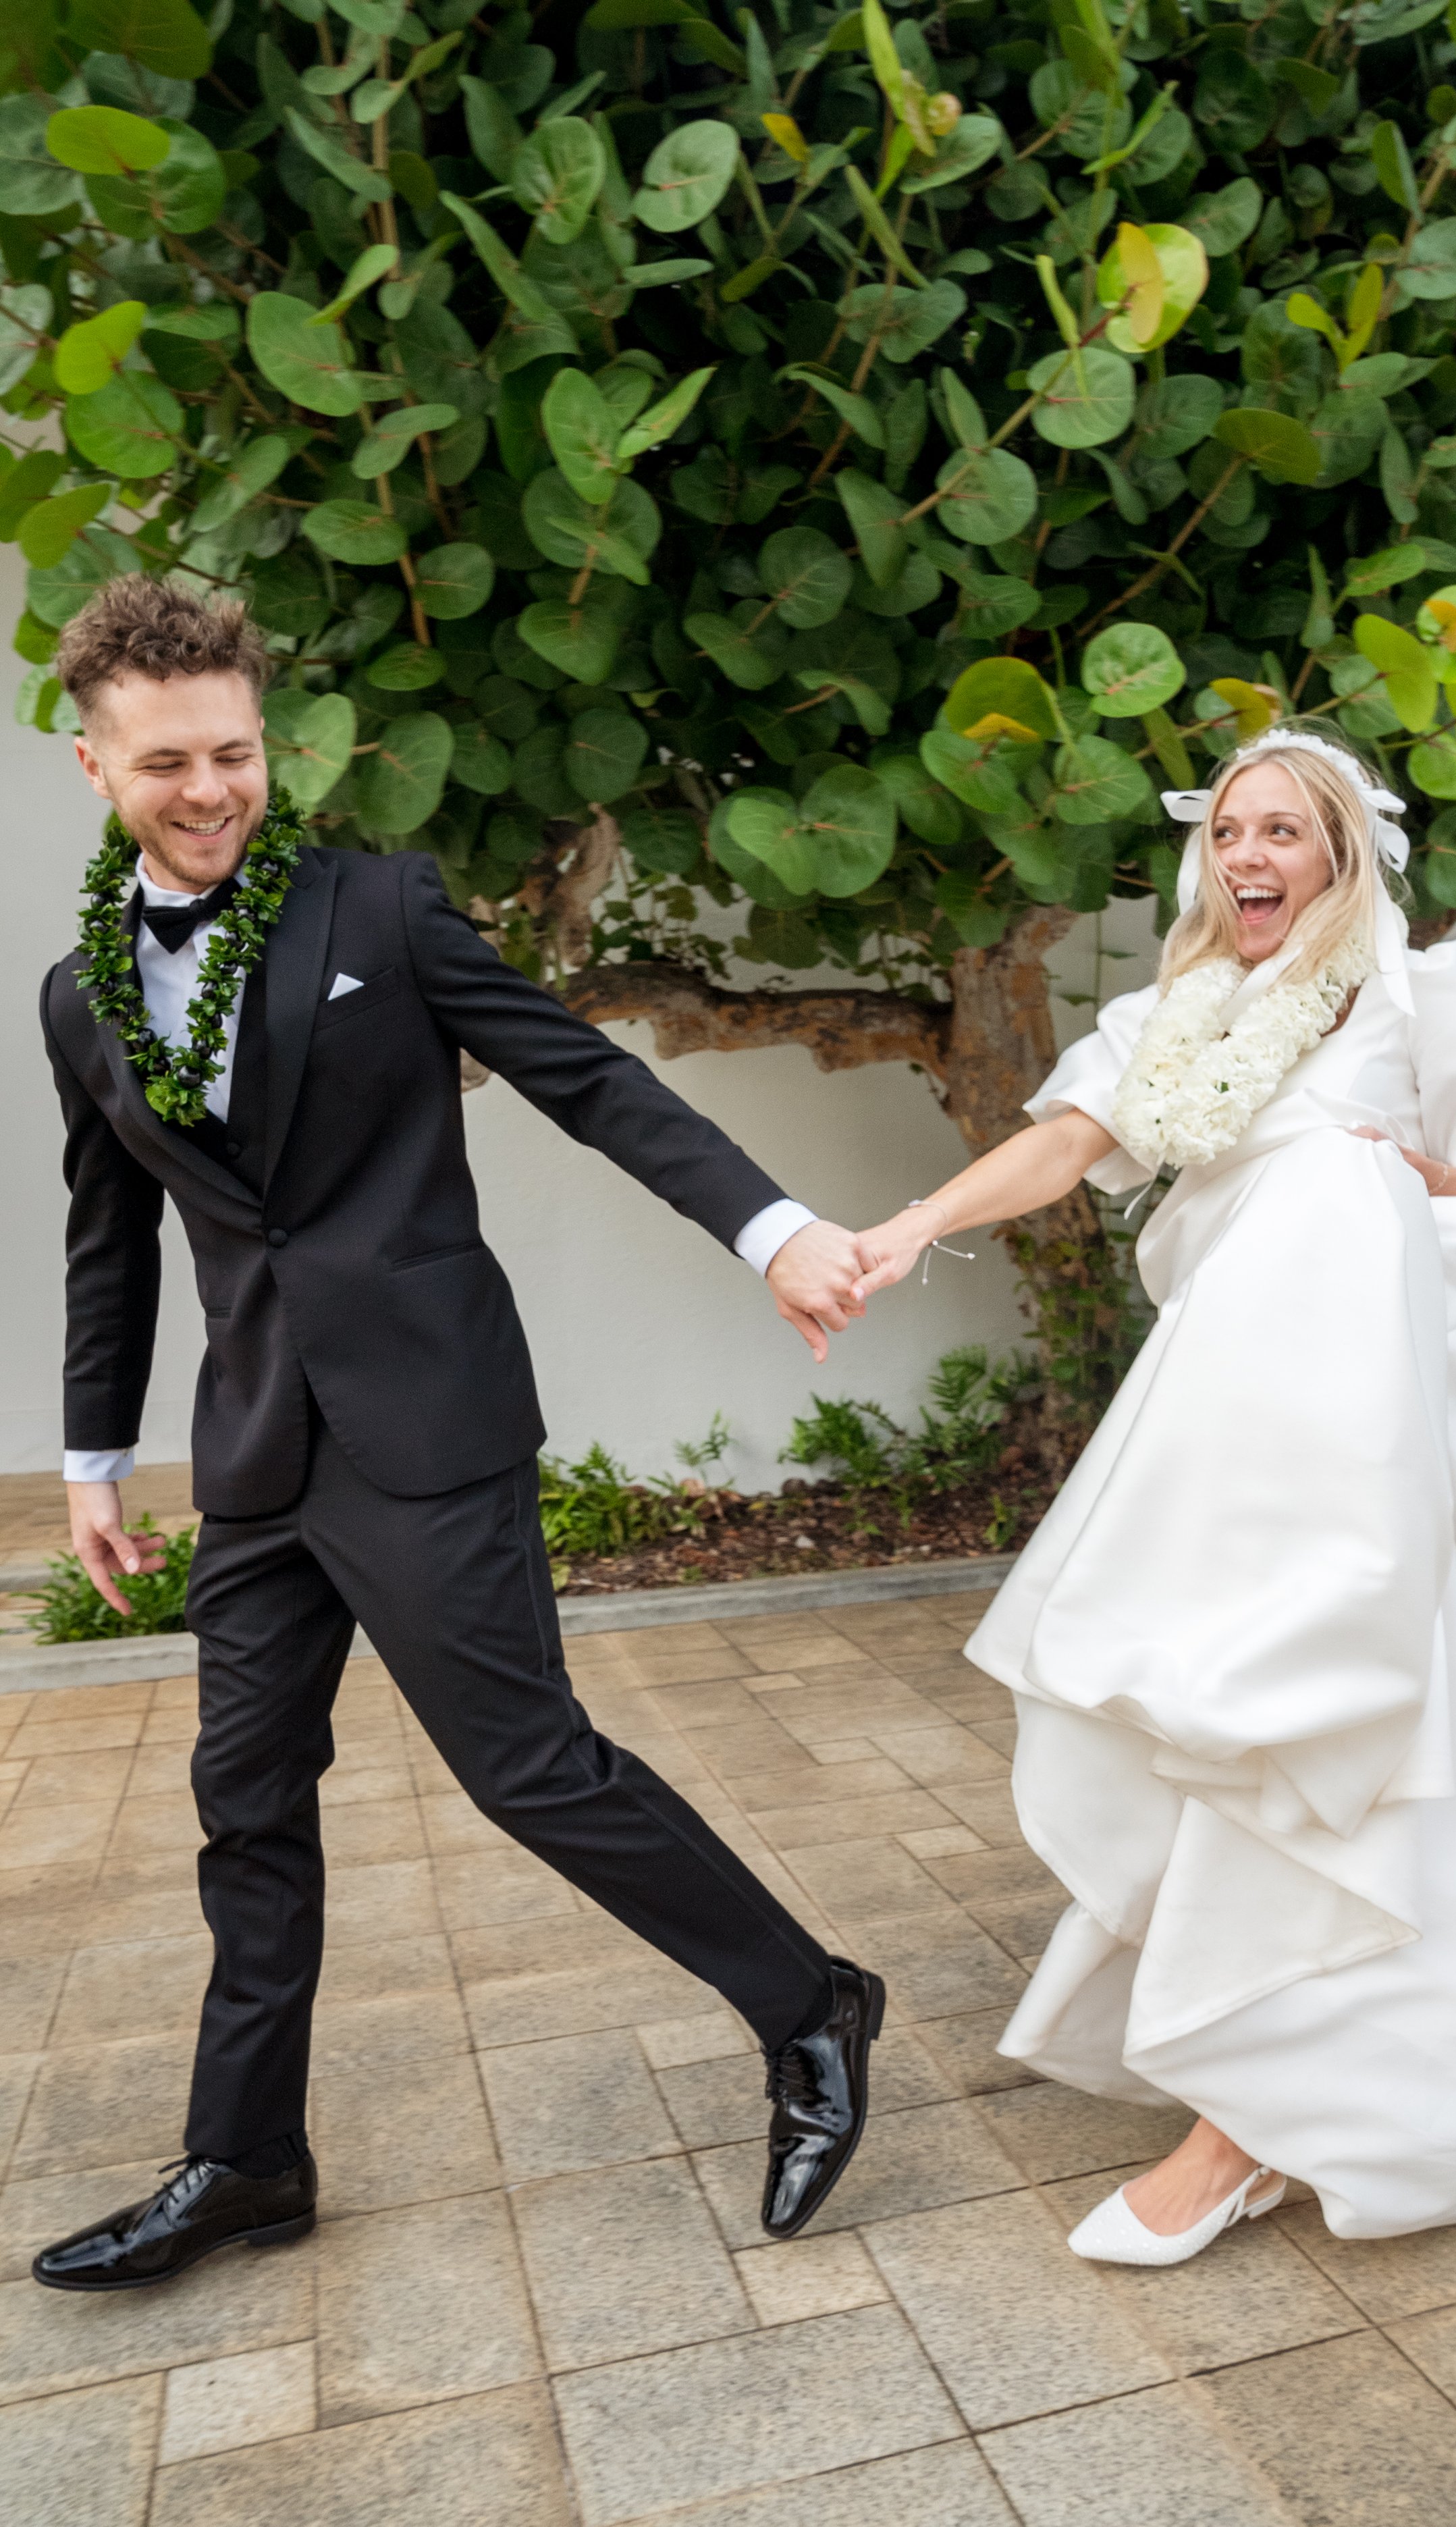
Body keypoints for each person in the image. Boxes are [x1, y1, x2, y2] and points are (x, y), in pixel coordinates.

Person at [31, 576, 884, 2293]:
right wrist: (91, 1459)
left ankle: (810, 2006)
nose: (211, 791)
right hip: (257, 1443)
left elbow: (588, 1082)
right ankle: (246, 2156)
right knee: (244, 1807)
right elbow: (107, 1233)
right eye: (169, 765)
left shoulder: (380, 910)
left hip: (428, 1419)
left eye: (238, 755)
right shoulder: (81, 990)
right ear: (93, 766)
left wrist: (768, 1226)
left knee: (529, 1772)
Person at [853, 723, 1456, 2264]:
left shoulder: (1442, 991)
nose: (1249, 857)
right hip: (1227, 1420)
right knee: (1292, 1719)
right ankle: (1339, 2059)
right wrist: (907, 1231)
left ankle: (1246, 2127)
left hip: (1363, 1414)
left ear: (1345, 850)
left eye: (1283, 833)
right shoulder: (1179, 1015)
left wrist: (1377, 1174)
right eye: (1230, 831)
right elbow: (1067, 1143)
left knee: (1321, 1710)